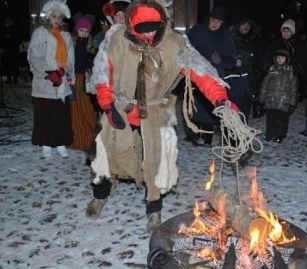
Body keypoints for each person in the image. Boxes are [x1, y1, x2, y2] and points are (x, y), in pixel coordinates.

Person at [87, 0, 239, 232]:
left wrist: (220, 99)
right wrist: (107, 106)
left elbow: (200, 70)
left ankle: (153, 209)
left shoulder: (175, 43)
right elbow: (102, 72)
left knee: (155, 162)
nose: (148, 32)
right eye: (142, 26)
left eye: (153, 26)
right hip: (120, 108)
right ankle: (100, 195)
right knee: (105, 155)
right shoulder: (117, 38)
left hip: (155, 111)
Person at [28, 0, 74, 159]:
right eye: (54, 16)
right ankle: (46, 144)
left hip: (61, 83)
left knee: (61, 115)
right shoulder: (40, 33)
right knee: (45, 114)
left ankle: (61, 143)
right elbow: (35, 57)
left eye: (60, 17)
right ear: (48, 17)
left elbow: (70, 59)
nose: (57, 19)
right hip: (45, 82)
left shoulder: (66, 36)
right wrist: (49, 73)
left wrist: (63, 71)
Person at [185, 6, 236, 146]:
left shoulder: (226, 37)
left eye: (218, 22)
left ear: (222, 23)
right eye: (213, 20)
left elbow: (232, 61)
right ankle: (192, 135)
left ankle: (207, 138)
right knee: (193, 104)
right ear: (209, 19)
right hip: (196, 73)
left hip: (215, 76)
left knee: (209, 107)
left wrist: (221, 60)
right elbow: (185, 47)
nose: (214, 23)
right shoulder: (197, 31)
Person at [69, 16, 97, 152]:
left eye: (86, 31)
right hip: (74, 79)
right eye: (81, 30)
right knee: (75, 109)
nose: (84, 33)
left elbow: (92, 62)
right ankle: (78, 138)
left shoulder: (90, 46)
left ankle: (88, 136)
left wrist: (88, 69)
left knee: (87, 108)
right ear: (77, 30)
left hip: (86, 80)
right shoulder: (72, 44)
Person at [258, 48, 297, 143]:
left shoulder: (290, 72)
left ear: (287, 59)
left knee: (281, 119)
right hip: (271, 98)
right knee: (270, 118)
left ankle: (280, 135)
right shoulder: (271, 69)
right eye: (278, 57)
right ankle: (269, 134)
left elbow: (293, 88)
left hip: (284, 99)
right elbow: (264, 85)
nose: (280, 59)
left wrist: (292, 101)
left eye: (282, 57)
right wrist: (261, 98)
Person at [228, 19, 263, 120]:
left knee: (245, 111)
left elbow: (259, 61)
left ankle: (242, 133)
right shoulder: (231, 39)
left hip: (249, 81)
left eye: (248, 25)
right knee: (233, 111)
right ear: (238, 25)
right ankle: (231, 134)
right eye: (243, 24)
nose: (246, 27)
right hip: (234, 80)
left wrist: (258, 76)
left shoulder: (254, 40)